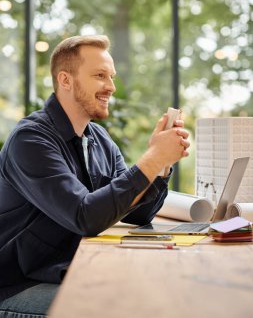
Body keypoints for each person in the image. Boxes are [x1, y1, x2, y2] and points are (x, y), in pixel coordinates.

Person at [0, 34, 190, 317]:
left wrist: (161, 166)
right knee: (123, 307)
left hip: (71, 269)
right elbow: (85, 217)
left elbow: (137, 213)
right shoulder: (30, 140)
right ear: (65, 80)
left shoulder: (98, 138)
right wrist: (153, 158)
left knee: (161, 292)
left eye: (111, 77)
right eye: (100, 76)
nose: (111, 87)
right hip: (20, 284)